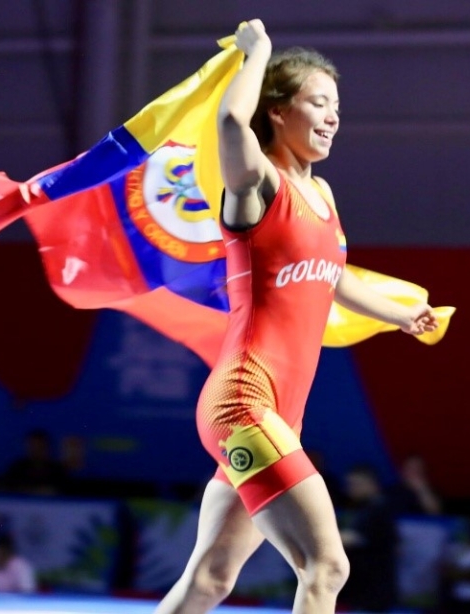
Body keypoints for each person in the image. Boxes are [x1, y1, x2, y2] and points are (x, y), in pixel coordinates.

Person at [154, 19, 438, 614]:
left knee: (210, 578)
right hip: (243, 402)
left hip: (281, 415)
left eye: (338, 106)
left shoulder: (323, 196)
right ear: (278, 111)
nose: (333, 117)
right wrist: (255, 54)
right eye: (319, 102)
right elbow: (231, 122)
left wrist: (402, 316)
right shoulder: (256, 185)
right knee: (328, 566)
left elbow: (332, 281)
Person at [338, 465, 399, 613]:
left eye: (355, 484)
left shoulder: (379, 508)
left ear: (371, 484)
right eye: (349, 484)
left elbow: (351, 538)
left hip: (374, 592)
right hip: (360, 590)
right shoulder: (361, 507)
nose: (350, 488)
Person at [0, 429, 68, 496]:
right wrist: (29, 490)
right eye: (33, 446)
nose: (36, 450)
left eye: (40, 446)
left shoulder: (56, 468)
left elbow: (64, 489)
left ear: (46, 447)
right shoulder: (19, 466)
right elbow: (6, 485)